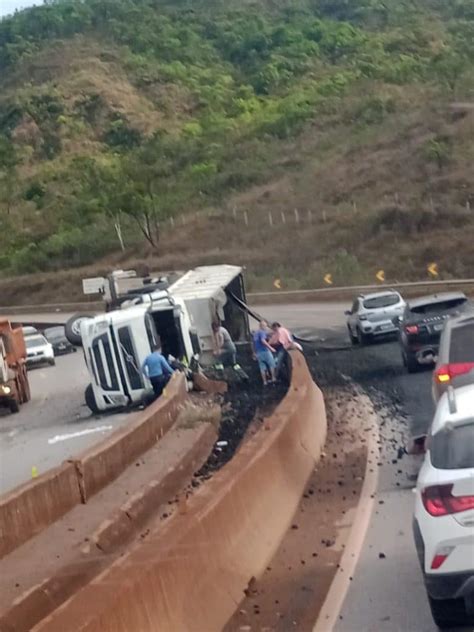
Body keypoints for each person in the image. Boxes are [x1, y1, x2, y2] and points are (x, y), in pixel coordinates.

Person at [252, 320, 276, 386]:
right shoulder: (262, 332)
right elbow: (263, 340)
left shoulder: (256, 333)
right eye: (264, 326)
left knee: (262, 367)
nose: (265, 327)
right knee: (272, 364)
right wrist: (271, 348)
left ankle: (264, 382)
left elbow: (253, 343)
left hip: (258, 353)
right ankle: (273, 378)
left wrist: (254, 352)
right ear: (261, 326)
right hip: (265, 351)